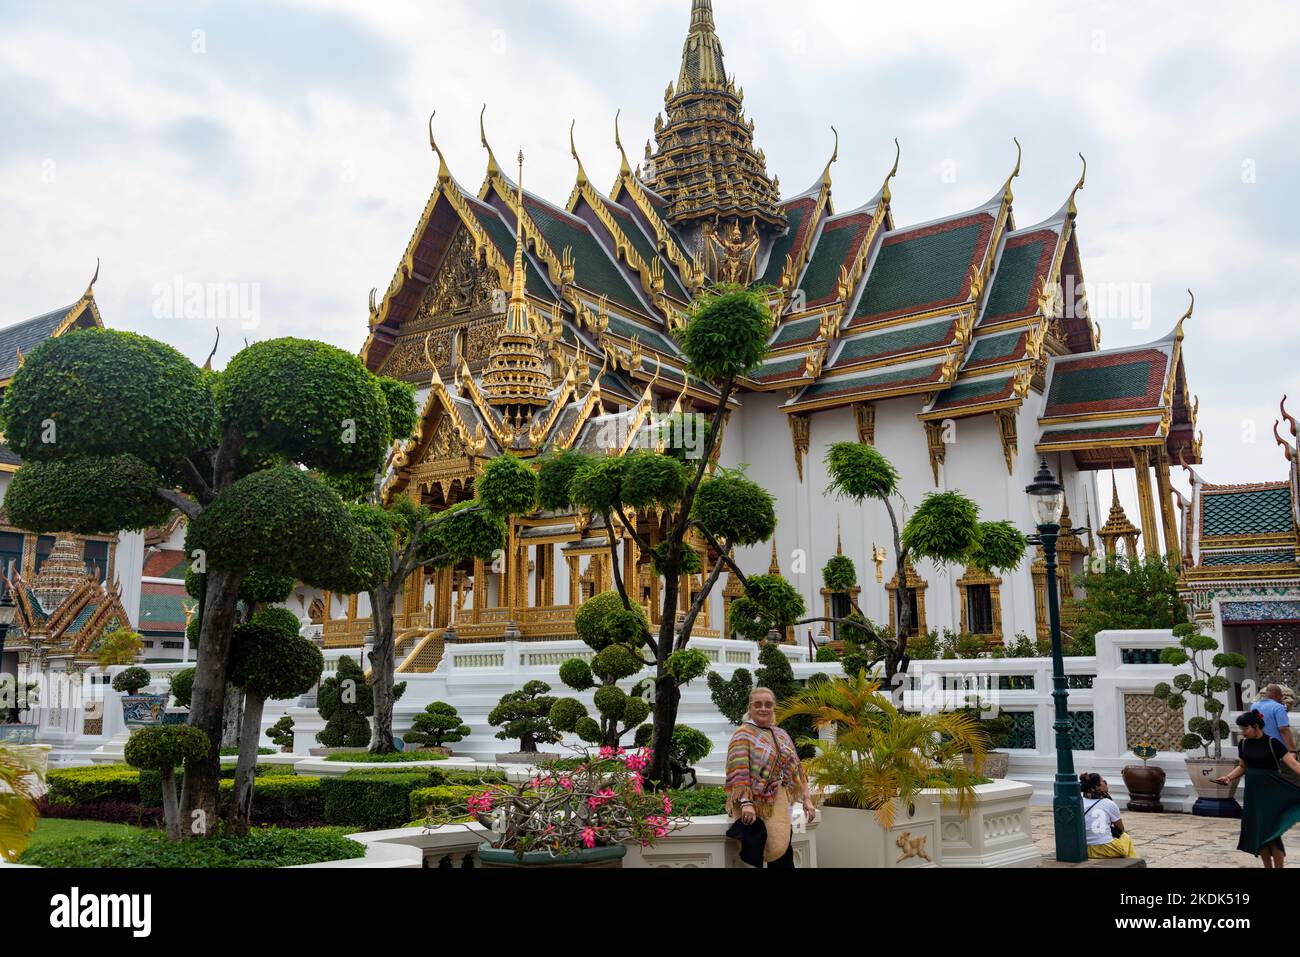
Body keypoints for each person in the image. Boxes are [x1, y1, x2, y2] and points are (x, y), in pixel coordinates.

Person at [724, 687, 815, 868]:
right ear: (750, 708)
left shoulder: (781, 734)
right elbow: (738, 770)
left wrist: (807, 799)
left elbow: (797, 769)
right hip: (758, 806)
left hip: (782, 803)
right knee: (763, 855)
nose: (763, 708)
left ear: (774, 707)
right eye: (758, 704)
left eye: (768, 704)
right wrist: (746, 803)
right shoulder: (743, 734)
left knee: (783, 851)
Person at [1214, 710, 1300, 868]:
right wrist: (1228, 777)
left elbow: (1293, 764)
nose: (1242, 732)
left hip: (1272, 792)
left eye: (1245, 728)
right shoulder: (1244, 744)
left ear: (1255, 726)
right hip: (1253, 793)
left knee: (1272, 832)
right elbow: (1242, 767)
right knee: (1259, 831)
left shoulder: (1272, 742)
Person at [1079, 773, 1139, 859]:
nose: (1106, 783)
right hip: (1105, 849)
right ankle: (1133, 861)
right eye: (1104, 781)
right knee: (1125, 837)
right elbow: (1121, 829)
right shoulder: (1109, 803)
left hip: (1084, 849)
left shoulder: (1079, 802)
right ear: (1097, 787)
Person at [1252, 685, 1295, 752]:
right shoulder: (1279, 707)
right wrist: (1292, 750)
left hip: (1259, 746)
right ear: (1277, 696)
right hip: (1276, 748)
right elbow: (1284, 729)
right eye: (1281, 696)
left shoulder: (1253, 706)